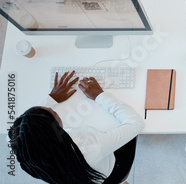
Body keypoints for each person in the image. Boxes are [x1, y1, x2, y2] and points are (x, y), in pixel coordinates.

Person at [8, 71, 145, 184]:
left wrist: (51, 99)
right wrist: (100, 96)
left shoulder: (21, 146)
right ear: (55, 128)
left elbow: (27, 124)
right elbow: (136, 123)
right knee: (123, 126)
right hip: (111, 174)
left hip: (77, 176)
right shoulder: (88, 145)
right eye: (54, 113)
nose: (54, 110)